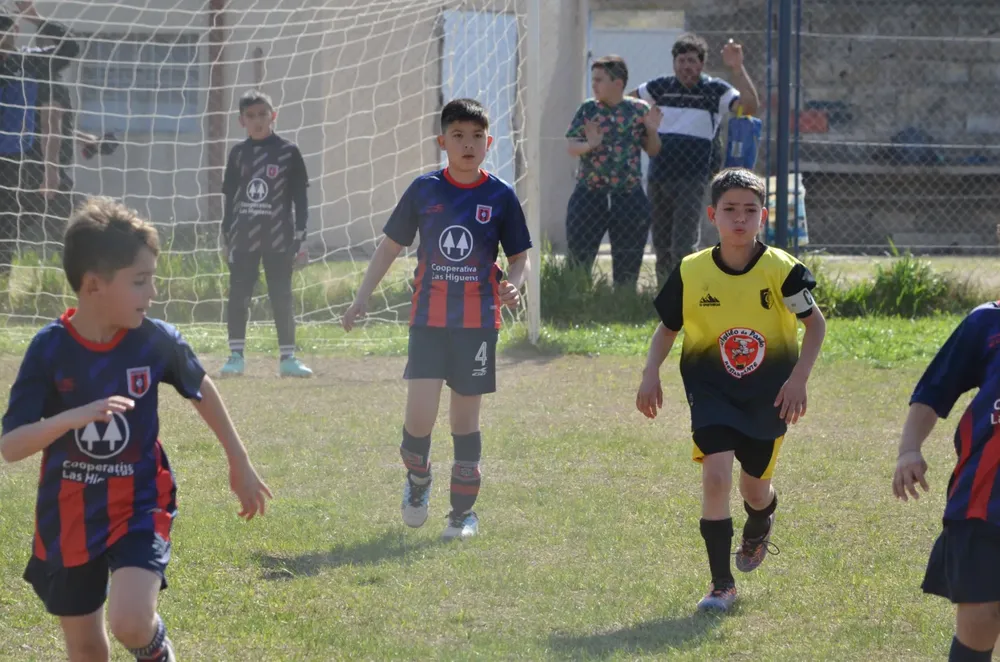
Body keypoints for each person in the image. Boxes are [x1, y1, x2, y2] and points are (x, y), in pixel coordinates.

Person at [0, 196, 272, 662]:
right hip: (69, 514)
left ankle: (156, 652)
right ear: (92, 285)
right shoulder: (49, 350)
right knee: (86, 649)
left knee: (129, 620)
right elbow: (11, 446)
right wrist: (74, 416)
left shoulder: (154, 340)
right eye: (140, 281)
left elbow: (199, 388)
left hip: (139, 504)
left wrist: (239, 461)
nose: (152, 294)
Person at [635, 168, 826, 612]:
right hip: (712, 391)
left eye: (750, 211)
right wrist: (650, 373)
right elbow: (667, 330)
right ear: (712, 215)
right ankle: (721, 585)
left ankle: (760, 521)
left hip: (769, 394)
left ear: (764, 216)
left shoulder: (783, 271)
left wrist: (799, 378)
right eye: (730, 210)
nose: (740, 219)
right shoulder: (692, 270)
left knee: (754, 489)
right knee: (715, 477)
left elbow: (815, 325)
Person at [341, 98, 532, 540]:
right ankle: (418, 480)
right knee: (418, 422)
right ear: (442, 141)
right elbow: (390, 247)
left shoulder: (500, 196)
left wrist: (515, 283)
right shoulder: (424, 190)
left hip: (478, 324)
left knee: (465, 423)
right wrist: (361, 298)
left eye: (477, 136)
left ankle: (462, 515)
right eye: (459, 136)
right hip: (428, 321)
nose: (468, 145)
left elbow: (519, 257)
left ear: (490, 142)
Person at [893, 302, 1000, 661]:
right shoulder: (987, 321)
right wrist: (909, 449)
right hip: (985, 498)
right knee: (981, 617)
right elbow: (936, 387)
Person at [629, 34, 760, 285]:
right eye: (681, 61)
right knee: (661, 245)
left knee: (683, 245)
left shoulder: (715, 90)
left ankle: (686, 293)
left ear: (701, 64)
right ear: (674, 63)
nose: (686, 66)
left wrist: (736, 67)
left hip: (693, 178)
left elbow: (750, 106)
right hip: (659, 177)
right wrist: (645, 124)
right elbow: (626, 102)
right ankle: (665, 295)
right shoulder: (660, 87)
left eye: (691, 61)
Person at [220, 89, 312, 378]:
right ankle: (235, 356)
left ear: (274, 116)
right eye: (251, 116)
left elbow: (300, 198)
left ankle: (288, 358)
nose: (258, 121)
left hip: (279, 237)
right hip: (244, 237)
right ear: (241, 121)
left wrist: (301, 237)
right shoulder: (238, 154)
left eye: (263, 114)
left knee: (281, 296)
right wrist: (225, 235)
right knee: (239, 296)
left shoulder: (288, 152)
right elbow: (229, 198)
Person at [564, 55, 661, 288]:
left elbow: (653, 150)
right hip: (590, 192)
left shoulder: (639, 110)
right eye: (593, 79)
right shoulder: (588, 109)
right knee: (579, 254)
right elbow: (571, 146)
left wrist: (652, 131)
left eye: (599, 80)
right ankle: (575, 297)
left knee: (628, 256)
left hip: (627, 194)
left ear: (618, 83)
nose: (594, 85)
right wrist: (590, 144)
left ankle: (623, 299)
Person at [0, 1, 78, 270]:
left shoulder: (31, 61)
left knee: (73, 230)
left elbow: (70, 46)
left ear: (15, 30)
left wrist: (35, 18)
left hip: (27, 166)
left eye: (3, 31)